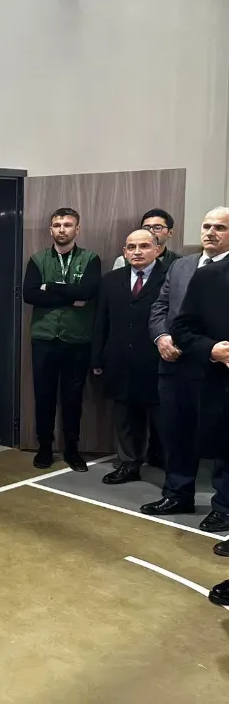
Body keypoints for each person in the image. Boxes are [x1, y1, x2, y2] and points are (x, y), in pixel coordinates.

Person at [143, 207, 229, 533]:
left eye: (220, 227)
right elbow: (160, 306)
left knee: (222, 440)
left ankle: (224, 507)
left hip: (216, 369)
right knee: (177, 433)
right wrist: (162, 337)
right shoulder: (181, 266)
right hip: (175, 365)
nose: (210, 232)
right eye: (206, 226)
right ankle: (177, 494)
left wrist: (211, 348)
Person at [169, 220, 229, 604]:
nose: (210, 232)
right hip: (223, 387)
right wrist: (213, 349)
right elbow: (183, 327)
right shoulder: (209, 277)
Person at [22, 208, 101, 471]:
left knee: (73, 398)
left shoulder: (90, 259)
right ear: (50, 229)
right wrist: (71, 297)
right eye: (57, 225)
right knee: (43, 396)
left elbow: (88, 292)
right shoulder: (37, 259)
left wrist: (51, 287)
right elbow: (30, 295)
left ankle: (72, 450)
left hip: (77, 339)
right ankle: (44, 448)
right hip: (44, 339)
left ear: (77, 229)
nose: (62, 229)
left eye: (67, 224)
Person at [90, 229, 167, 484]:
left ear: (157, 249)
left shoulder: (170, 277)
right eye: (131, 247)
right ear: (124, 252)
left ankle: (172, 469)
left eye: (144, 246)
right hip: (120, 359)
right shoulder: (111, 280)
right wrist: (97, 358)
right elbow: (101, 321)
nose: (137, 252)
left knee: (164, 418)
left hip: (157, 360)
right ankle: (129, 464)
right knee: (124, 417)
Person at [110, 209, 181, 270]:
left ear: (170, 232)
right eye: (146, 228)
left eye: (157, 228)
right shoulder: (124, 260)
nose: (151, 231)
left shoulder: (180, 262)